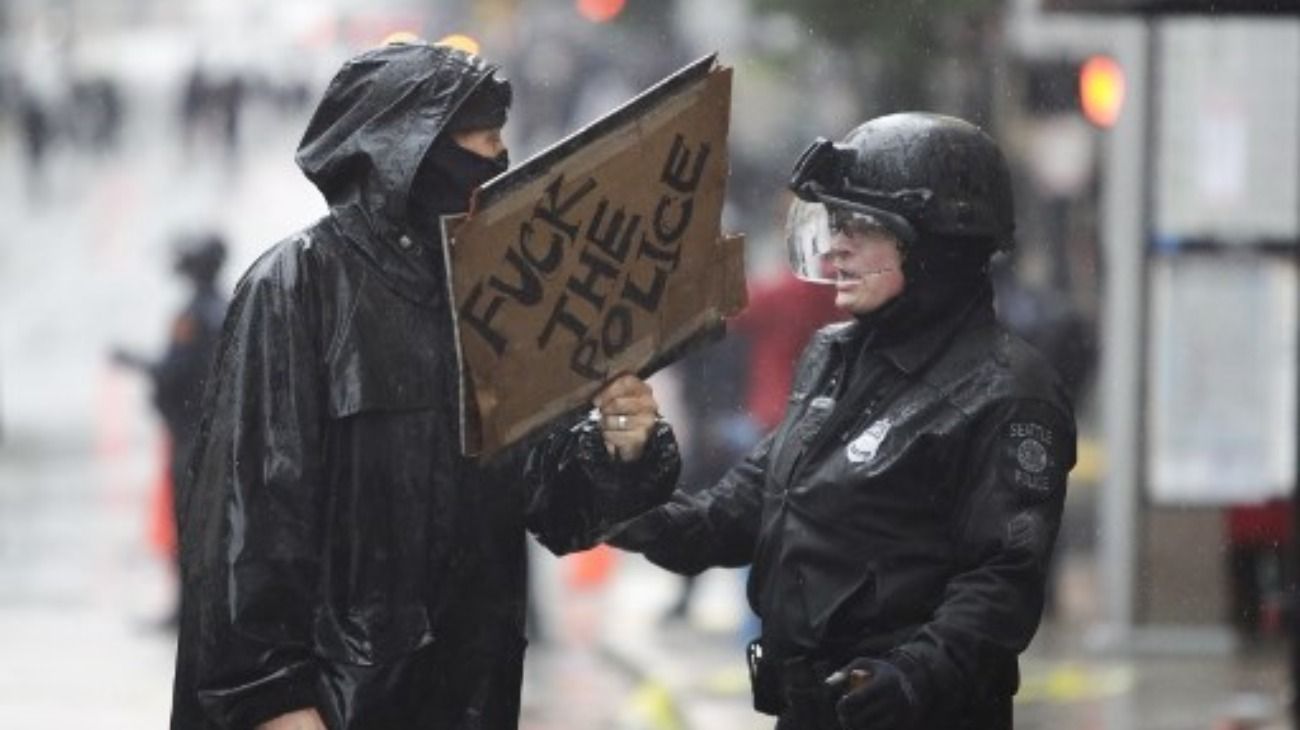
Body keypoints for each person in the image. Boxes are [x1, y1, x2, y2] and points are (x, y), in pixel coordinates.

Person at [169, 42, 678, 730]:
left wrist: (622, 447)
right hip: (332, 706)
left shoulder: (498, 296)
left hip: (470, 696)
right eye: (481, 134)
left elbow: (552, 503)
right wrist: (273, 702)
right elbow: (250, 519)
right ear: (410, 147)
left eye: (502, 134)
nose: (499, 156)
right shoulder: (298, 286)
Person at [609, 113, 1077, 730]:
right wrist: (617, 484)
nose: (835, 248)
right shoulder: (832, 356)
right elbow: (726, 520)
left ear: (934, 245)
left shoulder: (1009, 391)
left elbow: (1001, 584)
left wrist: (910, 678)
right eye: (834, 226)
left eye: (862, 229)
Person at [113, 233, 231, 591]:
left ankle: (186, 606)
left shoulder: (192, 316)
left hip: (189, 433)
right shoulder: (226, 307)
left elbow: (172, 370)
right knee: (211, 522)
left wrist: (130, 360)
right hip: (218, 431)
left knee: (188, 520)